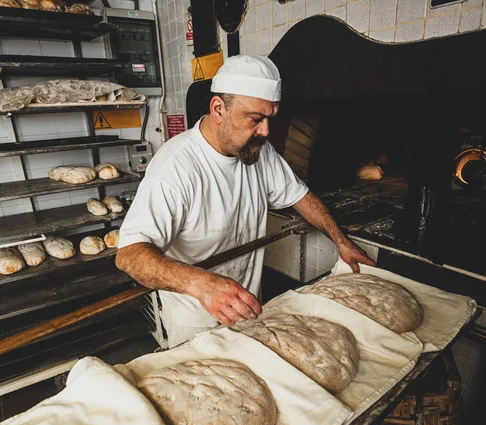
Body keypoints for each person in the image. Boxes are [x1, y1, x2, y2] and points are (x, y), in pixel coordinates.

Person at [116, 55, 375, 348]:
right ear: (218, 109)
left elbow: (300, 196)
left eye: (269, 119)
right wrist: (201, 284)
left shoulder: (258, 150)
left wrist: (340, 240)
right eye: (254, 119)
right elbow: (129, 256)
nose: (265, 131)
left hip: (248, 305)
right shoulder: (176, 167)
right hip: (197, 318)